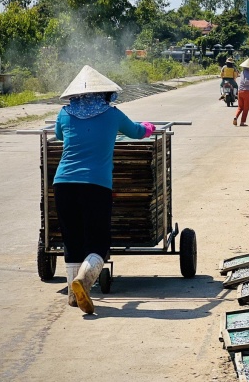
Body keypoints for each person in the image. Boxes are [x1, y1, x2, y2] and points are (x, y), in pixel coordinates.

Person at [53, 65, 156, 314]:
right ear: (105, 94)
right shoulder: (112, 115)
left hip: (63, 184)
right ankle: (84, 282)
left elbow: (58, 136)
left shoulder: (64, 114)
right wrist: (149, 127)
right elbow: (136, 132)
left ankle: (72, 293)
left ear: (75, 94)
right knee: (97, 242)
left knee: (72, 239)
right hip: (95, 185)